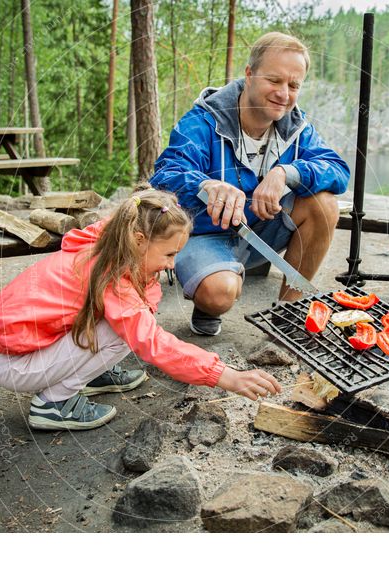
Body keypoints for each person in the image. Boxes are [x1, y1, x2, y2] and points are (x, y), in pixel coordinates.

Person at [0, 188, 281, 431]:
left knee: (129, 319)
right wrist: (225, 375)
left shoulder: (110, 245)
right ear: (139, 241)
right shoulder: (112, 276)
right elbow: (151, 341)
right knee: (124, 331)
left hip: (24, 350)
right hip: (18, 364)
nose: (172, 264)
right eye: (169, 254)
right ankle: (53, 403)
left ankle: (87, 374)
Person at [150, 32, 350, 336]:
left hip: (261, 231)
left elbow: (337, 170)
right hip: (205, 235)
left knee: (324, 203)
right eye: (274, 80)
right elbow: (165, 174)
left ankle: (289, 313)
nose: (284, 94)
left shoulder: (297, 128)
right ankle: (209, 296)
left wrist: (287, 172)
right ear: (249, 74)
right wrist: (207, 185)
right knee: (220, 294)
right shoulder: (202, 121)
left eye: (293, 85)